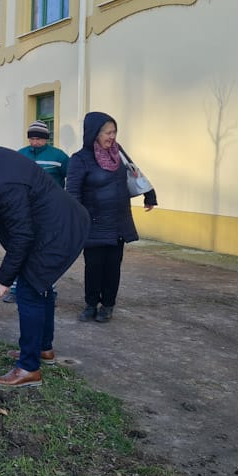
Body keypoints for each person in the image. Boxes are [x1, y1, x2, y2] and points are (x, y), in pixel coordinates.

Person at [0, 144, 90, 387]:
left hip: (58, 231)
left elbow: (22, 236)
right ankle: (42, 348)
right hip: (49, 223)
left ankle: (28, 368)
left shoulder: (4, 184)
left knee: (30, 291)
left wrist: (4, 277)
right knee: (41, 287)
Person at [65, 111, 157, 323]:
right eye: (108, 132)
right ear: (94, 133)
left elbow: (136, 173)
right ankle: (90, 304)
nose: (112, 137)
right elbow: (73, 192)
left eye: (114, 132)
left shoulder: (119, 152)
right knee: (94, 266)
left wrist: (150, 194)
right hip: (93, 223)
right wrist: (75, 221)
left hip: (117, 221)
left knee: (113, 266)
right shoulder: (80, 159)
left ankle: (108, 305)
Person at [2, 119, 71, 304]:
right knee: (20, 249)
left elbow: (72, 179)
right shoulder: (20, 155)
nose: (35, 142)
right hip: (23, 211)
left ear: (46, 139)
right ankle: (16, 288)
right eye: (32, 139)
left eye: (38, 139)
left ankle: (48, 288)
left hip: (49, 212)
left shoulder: (59, 157)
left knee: (47, 252)